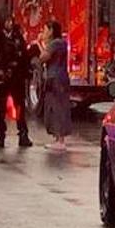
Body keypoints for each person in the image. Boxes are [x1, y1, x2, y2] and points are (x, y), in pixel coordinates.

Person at [0, 14, 32, 148]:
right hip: (2, 78)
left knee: (20, 106)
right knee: (1, 109)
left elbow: (24, 55)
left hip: (17, 77)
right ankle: (0, 136)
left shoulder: (18, 37)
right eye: (6, 21)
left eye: (10, 21)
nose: (9, 23)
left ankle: (23, 134)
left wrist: (24, 70)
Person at [39, 19, 72, 151]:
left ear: (51, 31)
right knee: (56, 107)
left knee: (57, 108)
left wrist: (39, 43)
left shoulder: (55, 44)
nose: (43, 33)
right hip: (60, 78)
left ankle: (60, 140)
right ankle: (58, 138)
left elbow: (43, 57)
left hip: (56, 79)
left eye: (45, 30)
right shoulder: (61, 43)